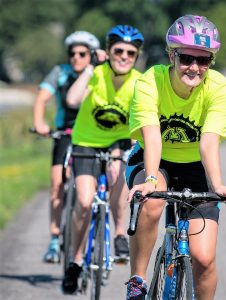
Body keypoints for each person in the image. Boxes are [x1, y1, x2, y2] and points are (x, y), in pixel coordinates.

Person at [125, 15, 226, 300]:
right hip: (155, 160)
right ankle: (137, 281)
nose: (194, 67)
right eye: (187, 58)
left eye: (203, 61)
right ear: (171, 56)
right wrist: (151, 179)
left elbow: (209, 140)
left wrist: (217, 186)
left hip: (195, 167)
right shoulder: (150, 81)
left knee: (203, 258)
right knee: (152, 203)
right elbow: (153, 136)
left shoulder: (219, 88)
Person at [61, 25, 144, 294]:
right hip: (85, 142)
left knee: (119, 173)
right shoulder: (95, 74)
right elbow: (72, 100)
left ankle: (120, 233)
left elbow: (144, 120)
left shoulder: (139, 82)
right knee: (84, 203)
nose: (123, 56)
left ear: (137, 56)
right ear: (108, 52)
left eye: (130, 53)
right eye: (118, 51)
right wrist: (90, 68)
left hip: (119, 142)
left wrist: (135, 145)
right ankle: (75, 260)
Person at [33, 31, 100, 263]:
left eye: (82, 53)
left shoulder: (98, 74)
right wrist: (39, 122)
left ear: (90, 55)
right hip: (65, 133)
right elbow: (42, 97)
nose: (76, 57)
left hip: (92, 135)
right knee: (57, 185)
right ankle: (54, 239)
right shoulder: (60, 73)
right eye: (72, 53)